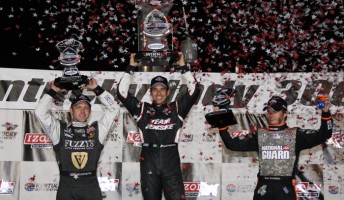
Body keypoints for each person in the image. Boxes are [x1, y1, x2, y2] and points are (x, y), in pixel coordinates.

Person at [117, 53, 200, 200]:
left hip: (170, 159)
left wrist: (183, 66)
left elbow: (194, 91)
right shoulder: (142, 109)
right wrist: (131, 67)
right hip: (149, 159)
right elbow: (122, 93)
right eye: (155, 89)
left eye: (162, 89)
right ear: (150, 93)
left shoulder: (176, 109)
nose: (159, 93)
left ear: (168, 92)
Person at [216, 95, 333, 200]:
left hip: (285, 189)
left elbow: (324, 134)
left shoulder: (295, 134)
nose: (271, 113)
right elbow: (232, 144)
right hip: (263, 188)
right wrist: (221, 122)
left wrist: (326, 112)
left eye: (275, 110)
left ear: (285, 114)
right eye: (269, 110)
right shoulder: (260, 134)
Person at [35, 78, 120, 200]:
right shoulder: (59, 130)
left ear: (90, 112)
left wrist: (97, 89)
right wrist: (53, 90)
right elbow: (39, 112)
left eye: (86, 108)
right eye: (78, 107)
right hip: (67, 187)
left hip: (91, 187)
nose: (82, 111)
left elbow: (114, 109)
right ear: (71, 110)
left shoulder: (97, 130)